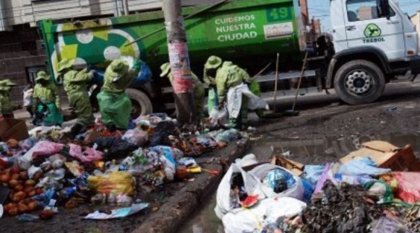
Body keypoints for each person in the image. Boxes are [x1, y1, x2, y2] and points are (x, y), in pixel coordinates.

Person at [215, 61, 267, 129]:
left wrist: (221, 100)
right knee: (243, 108)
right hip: (242, 89)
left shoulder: (221, 72)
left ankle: (233, 126)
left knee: (233, 109)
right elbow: (247, 79)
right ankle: (244, 124)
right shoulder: (238, 69)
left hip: (232, 92)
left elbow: (221, 88)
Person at [97, 58, 138, 130]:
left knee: (110, 110)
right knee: (117, 109)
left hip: (109, 93)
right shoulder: (122, 78)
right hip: (113, 94)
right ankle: (120, 126)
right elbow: (134, 72)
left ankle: (118, 124)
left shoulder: (108, 71)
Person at [59, 59, 95, 137]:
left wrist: (85, 70)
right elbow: (85, 77)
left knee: (87, 116)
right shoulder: (70, 73)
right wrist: (91, 73)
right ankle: (72, 133)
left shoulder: (65, 74)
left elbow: (78, 76)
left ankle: (90, 133)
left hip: (73, 96)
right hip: (79, 96)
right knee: (85, 118)